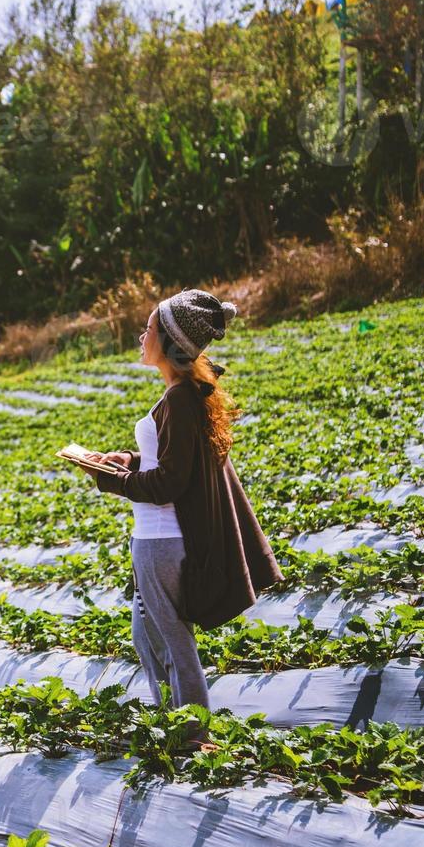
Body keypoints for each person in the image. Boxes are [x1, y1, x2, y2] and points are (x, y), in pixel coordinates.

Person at [75, 289, 281, 734]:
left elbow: (170, 482)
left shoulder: (181, 400)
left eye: (149, 329)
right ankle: (178, 723)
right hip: (155, 540)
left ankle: (191, 734)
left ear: (169, 342)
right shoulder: (179, 396)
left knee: (171, 639)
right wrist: (127, 460)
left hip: (163, 541)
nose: (141, 336)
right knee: (148, 635)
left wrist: (111, 480)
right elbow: (170, 461)